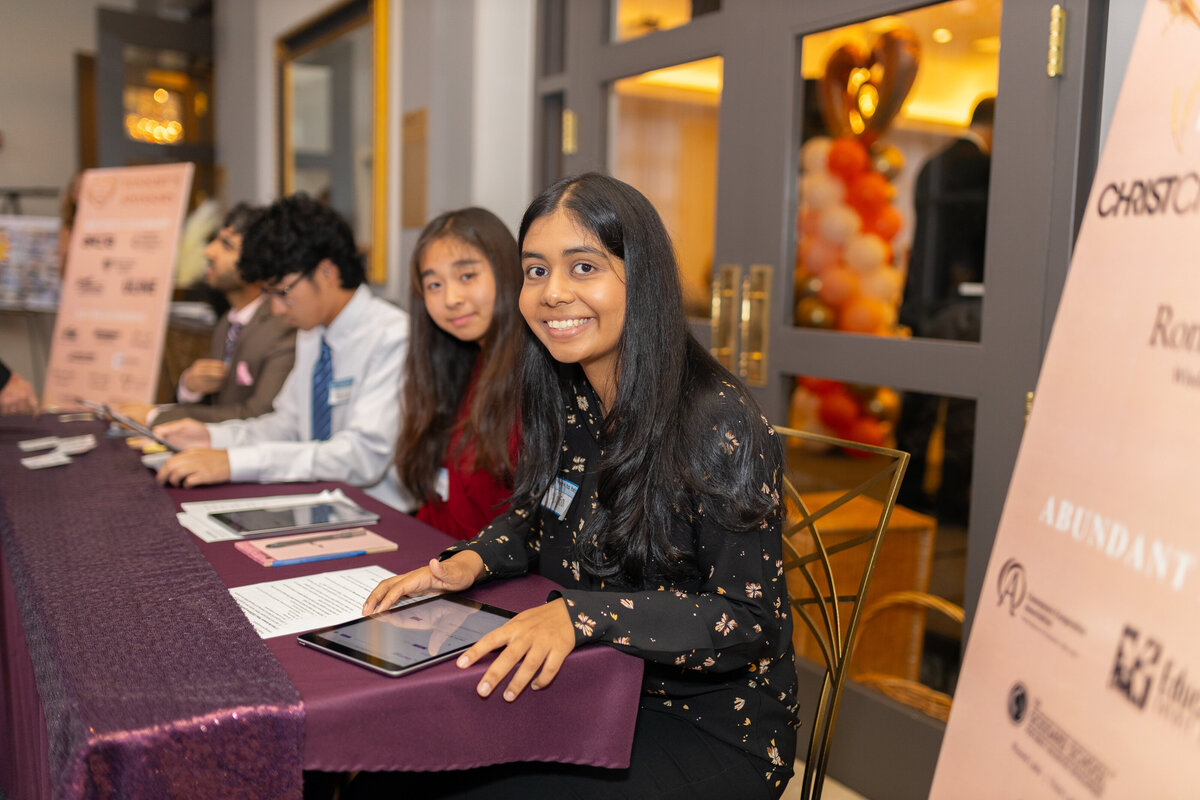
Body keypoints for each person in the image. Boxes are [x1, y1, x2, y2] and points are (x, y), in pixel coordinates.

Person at [360, 173, 799, 799]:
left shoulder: (716, 420)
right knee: (394, 762)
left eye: (584, 267)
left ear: (642, 277)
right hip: (596, 682)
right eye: (535, 271)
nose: (553, 293)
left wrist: (582, 616)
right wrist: (470, 562)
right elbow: (542, 514)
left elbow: (748, 621)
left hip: (705, 725)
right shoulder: (569, 392)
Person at [153, 193, 414, 512]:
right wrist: (212, 437)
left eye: (283, 293)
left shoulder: (392, 337)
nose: (276, 309)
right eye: (269, 294)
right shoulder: (313, 331)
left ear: (326, 272)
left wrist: (235, 462)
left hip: (380, 514)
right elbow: (287, 425)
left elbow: (362, 457)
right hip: (314, 504)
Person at [399, 208, 523, 540]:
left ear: (507, 271)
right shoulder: (461, 365)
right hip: (443, 553)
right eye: (434, 285)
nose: (451, 299)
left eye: (467, 276)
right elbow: (441, 503)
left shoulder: (537, 376)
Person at [117, 203, 296, 427]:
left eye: (227, 245)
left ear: (258, 264)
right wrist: (190, 387)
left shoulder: (283, 326)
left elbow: (260, 418)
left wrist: (155, 417)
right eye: (216, 240)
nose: (209, 251)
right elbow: (217, 405)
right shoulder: (227, 324)